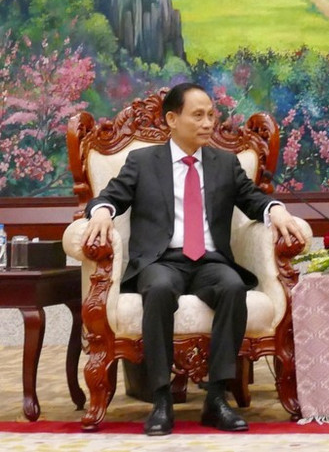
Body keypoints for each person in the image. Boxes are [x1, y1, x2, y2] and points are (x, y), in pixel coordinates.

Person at [82, 82, 306, 436]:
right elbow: (111, 196)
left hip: (209, 261)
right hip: (161, 260)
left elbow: (252, 199)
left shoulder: (224, 162)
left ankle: (216, 398)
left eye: (211, 116)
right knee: (157, 289)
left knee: (233, 287)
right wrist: (101, 213)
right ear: (172, 119)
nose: (207, 123)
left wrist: (275, 210)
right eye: (197, 115)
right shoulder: (142, 161)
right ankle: (161, 399)